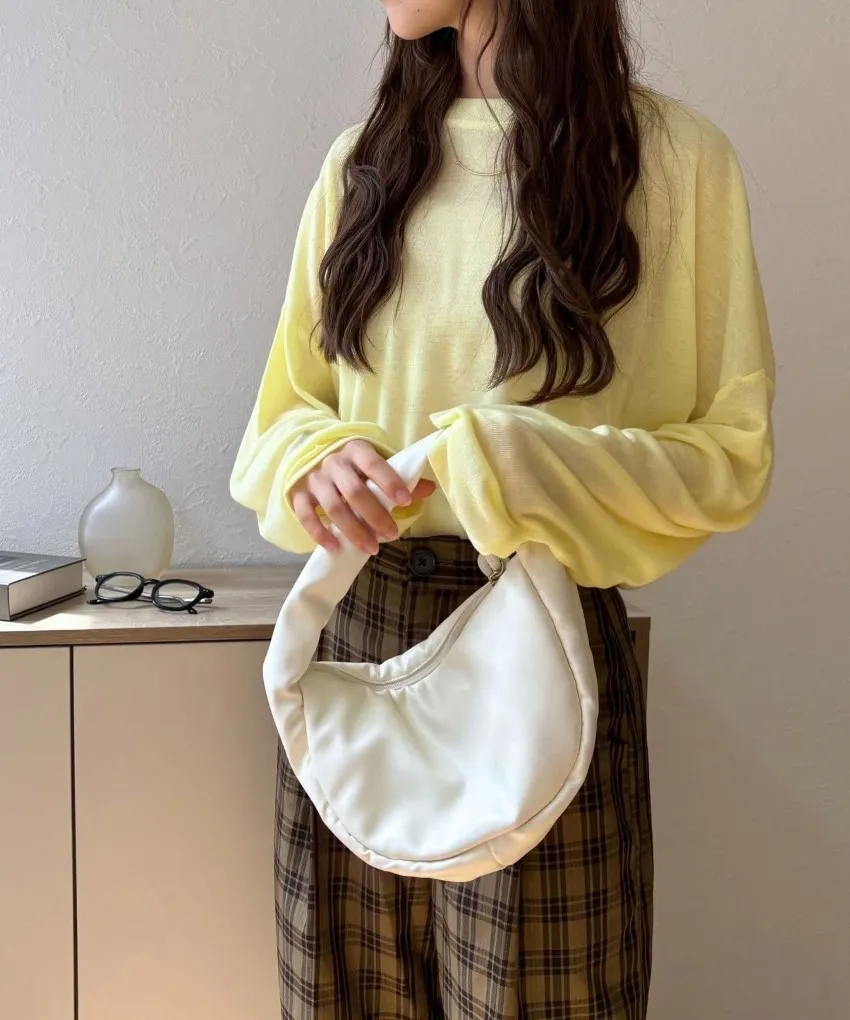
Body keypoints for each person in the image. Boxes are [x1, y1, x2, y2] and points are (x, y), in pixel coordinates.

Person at [230, 1, 775, 1016]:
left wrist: (511, 458)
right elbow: (279, 419)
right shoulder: (362, 164)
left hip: (541, 643)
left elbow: (726, 457)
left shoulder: (674, 162)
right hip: (357, 642)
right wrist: (319, 458)